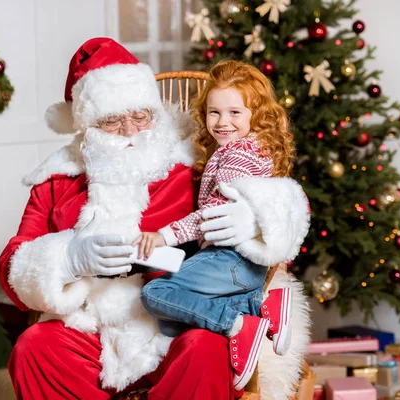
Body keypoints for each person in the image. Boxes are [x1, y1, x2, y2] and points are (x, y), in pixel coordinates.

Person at [0, 37, 310, 400]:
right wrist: (66, 261)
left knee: (205, 349)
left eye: (140, 116)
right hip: (91, 326)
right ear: (86, 125)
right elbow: (12, 261)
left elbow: (278, 191)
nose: (131, 131)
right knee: (34, 348)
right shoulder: (56, 179)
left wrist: (257, 218)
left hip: (178, 321)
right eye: (112, 120)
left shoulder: (192, 160)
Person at [137, 60, 299, 391]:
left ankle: (238, 323)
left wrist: (163, 236)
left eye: (234, 113)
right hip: (246, 266)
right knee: (172, 323)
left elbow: (211, 217)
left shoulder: (236, 156)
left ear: (257, 114)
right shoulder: (254, 148)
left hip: (231, 259)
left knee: (157, 292)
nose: (222, 122)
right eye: (214, 113)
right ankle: (260, 306)